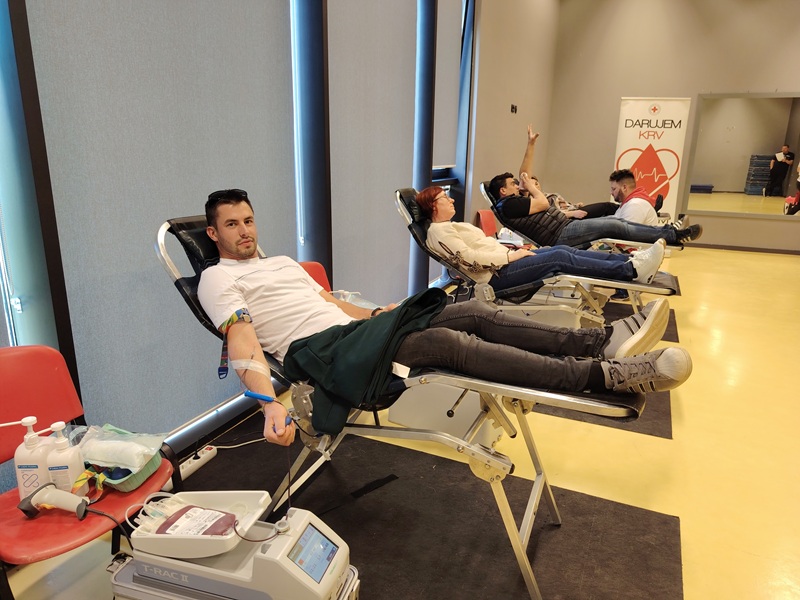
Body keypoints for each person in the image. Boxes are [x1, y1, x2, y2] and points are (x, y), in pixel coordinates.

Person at [197, 189, 692, 445]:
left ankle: (598, 341)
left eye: (248, 220)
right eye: (231, 225)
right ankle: (605, 374)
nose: (244, 231)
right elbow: (242, 341)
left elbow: (330, 303)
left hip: (353, 333)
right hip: (324, 356)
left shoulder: (282, 263)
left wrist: (378, 313)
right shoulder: (217, 279)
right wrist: (268, 404)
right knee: (446, 347)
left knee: (471, 310)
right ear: (214, 235)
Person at [416, 185, 667, 290]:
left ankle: (630, 263)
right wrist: (511, 256)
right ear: (433, 206)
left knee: (563, 252)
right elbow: (468, 259)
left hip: (505, 261)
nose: (451, 200)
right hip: (496, 276)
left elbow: (482, 247)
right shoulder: (438, 232)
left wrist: (512, 252)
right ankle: (632, 271)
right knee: (558, 257)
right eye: (445, 198)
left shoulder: (452, 226)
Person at [489, 126, 702, 248]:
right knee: (615, 225)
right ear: (503, 191)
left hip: (564, 226)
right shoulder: (509, 205)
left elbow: (524, 174)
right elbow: (543, 202)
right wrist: (534, 188)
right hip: (561, 234)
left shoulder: (517, 199)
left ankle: (669, 233)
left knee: (615, 221)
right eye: (513, 183)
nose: (518, 184)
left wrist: (531, 145)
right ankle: (672, 235)